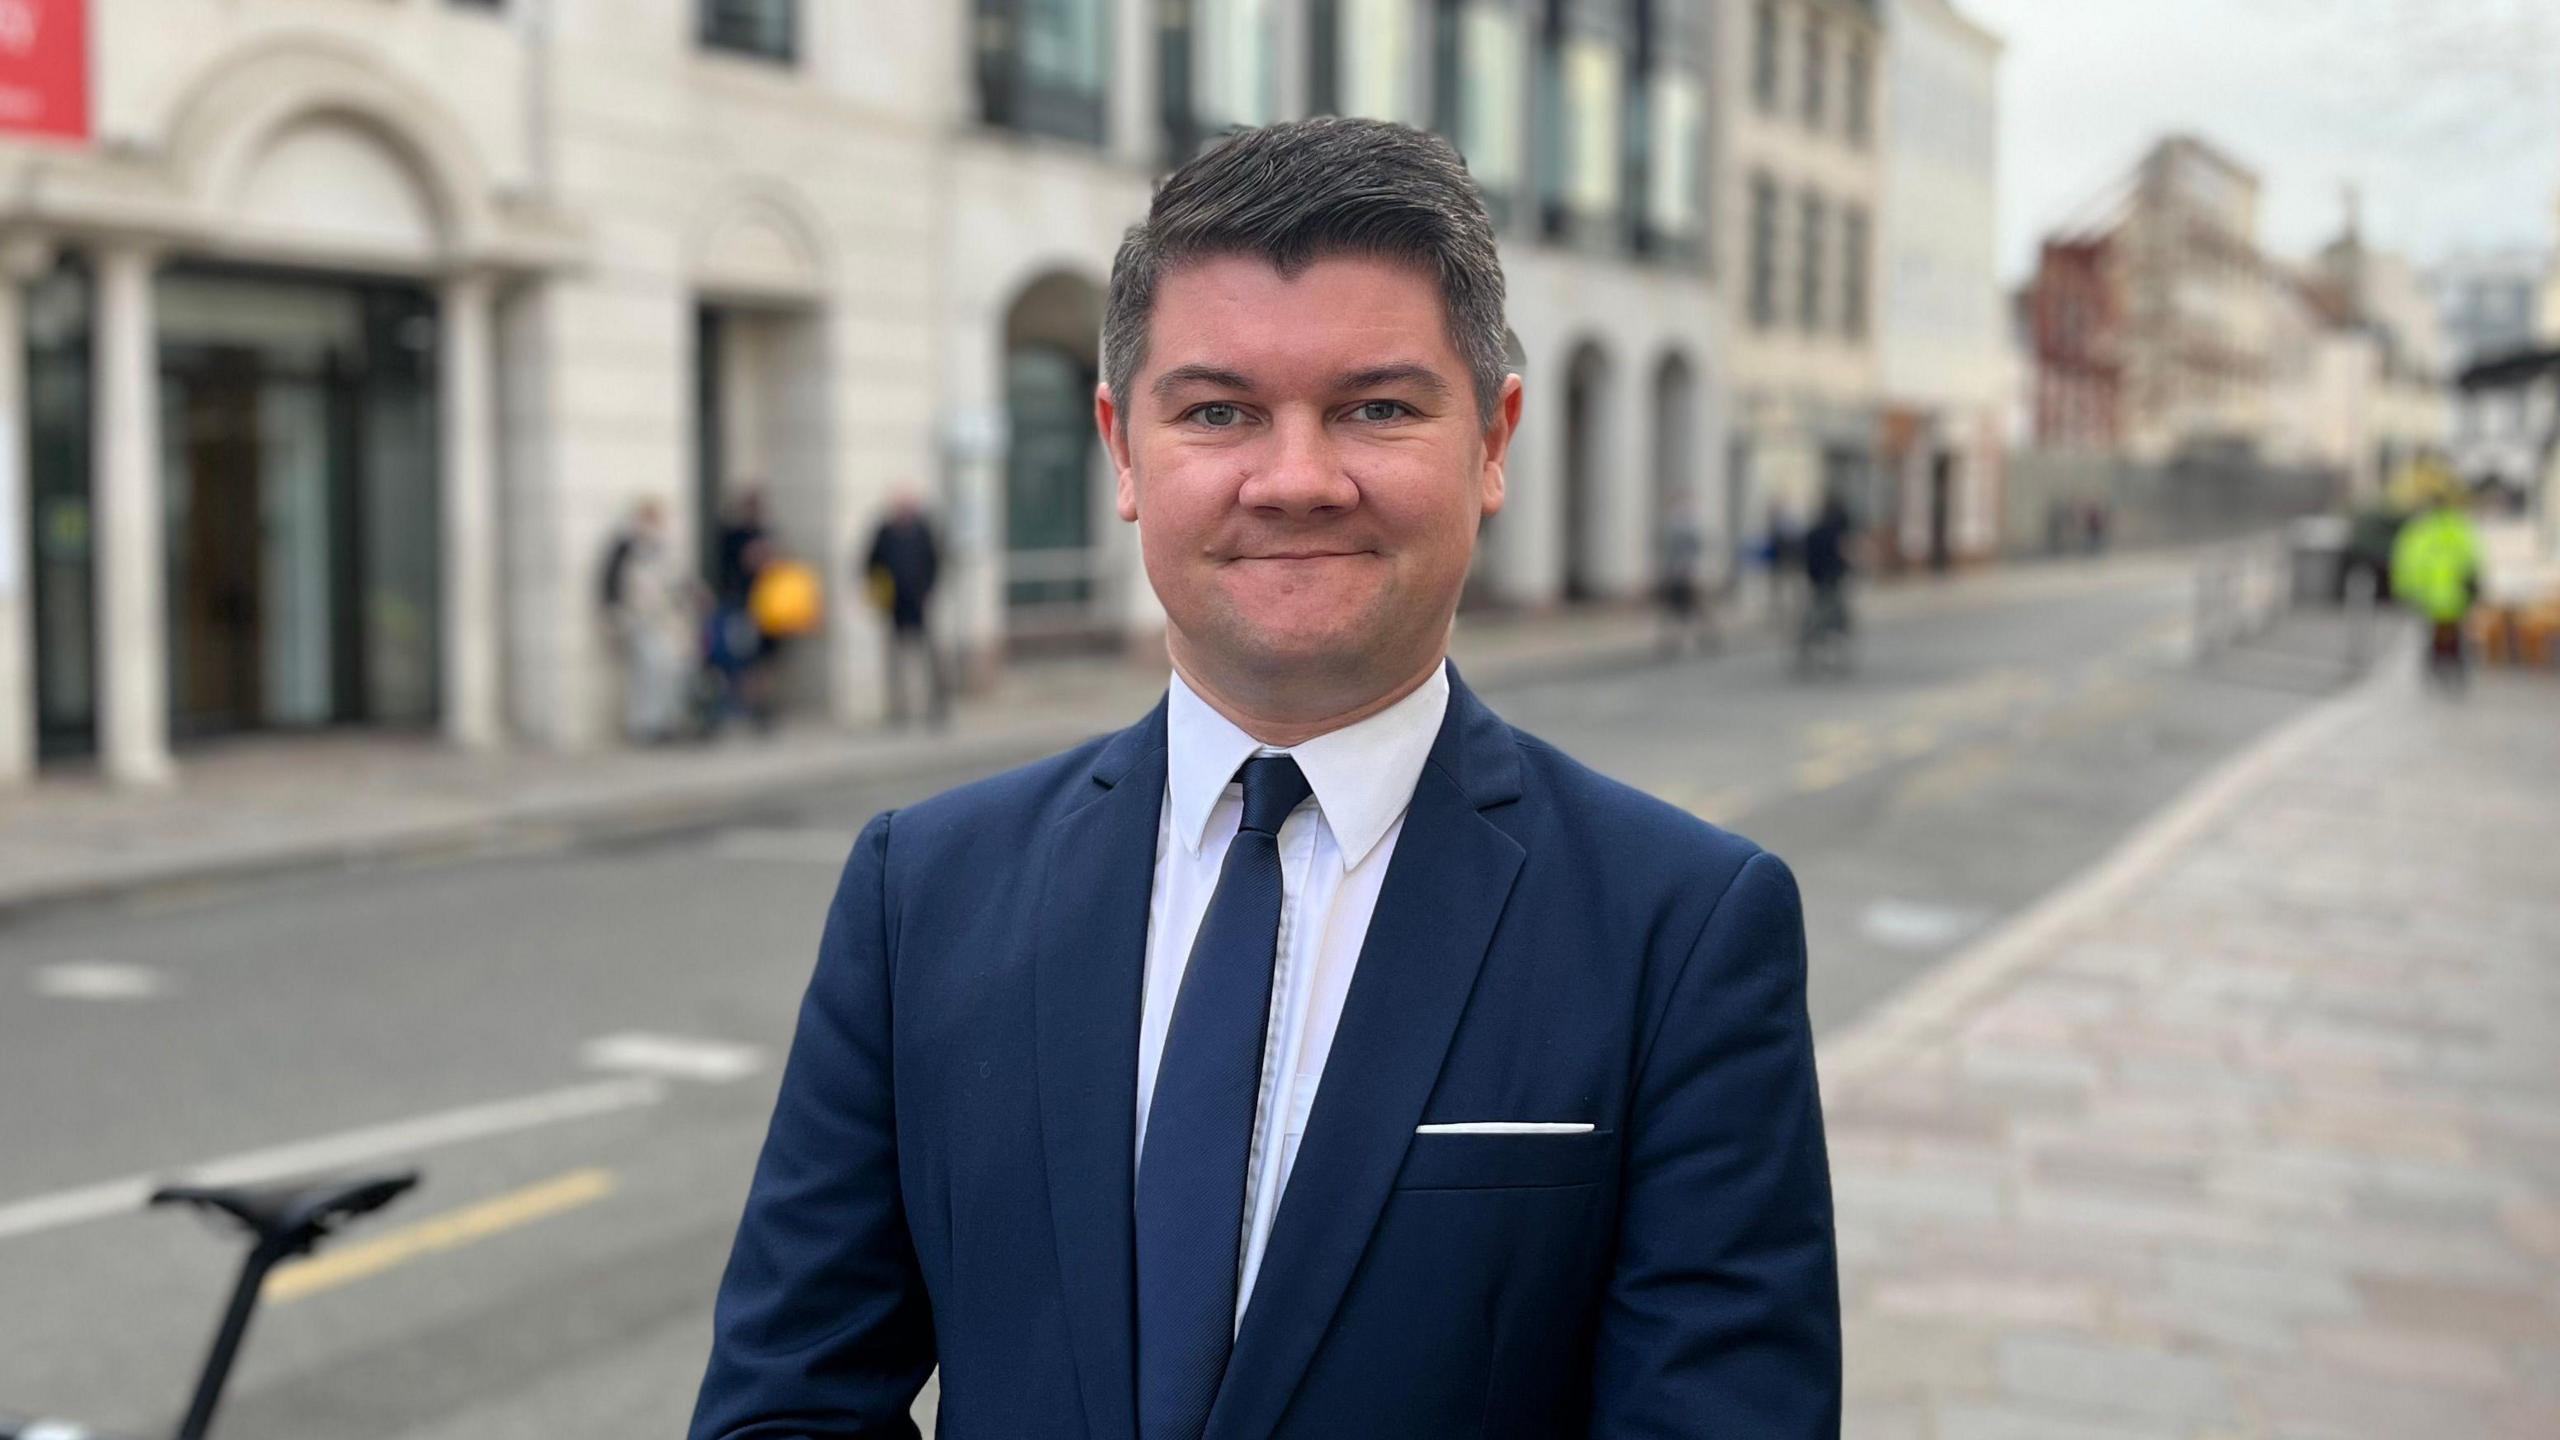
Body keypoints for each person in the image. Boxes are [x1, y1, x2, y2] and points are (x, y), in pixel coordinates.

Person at [689, 118, 1838, 1440]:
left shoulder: (1683, 931)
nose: (1296, 479)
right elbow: (786, 1406)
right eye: (1222, 410)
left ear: (1493, 440)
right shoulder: (925, 889)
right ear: (1124, 449)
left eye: (1378, 408)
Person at [601, 498, 693, 743]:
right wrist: (613, 617)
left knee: (670, 669)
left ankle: (666, 722)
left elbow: (676, 583)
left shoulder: (662, 548)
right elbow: (610, 584)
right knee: (647, 669)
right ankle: (643, 726)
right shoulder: (626, 548)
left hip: (663, 620)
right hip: (636, 619)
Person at [2389, 467, 2484, 692]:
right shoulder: (2454, 527)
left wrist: (2405, 589)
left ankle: (2442, 669)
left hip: (2438, 594)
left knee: (2443, 635)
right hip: (2447, 594)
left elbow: (2406, 561)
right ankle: (2443, 669)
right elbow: (2471, 557)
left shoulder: (2424, 529)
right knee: (2446, 635)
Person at [863, 491, 950, 728]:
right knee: (896, 661)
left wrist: (928, 591)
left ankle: (936, 707)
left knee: (929, 657)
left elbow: (936, 562)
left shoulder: (922, 531)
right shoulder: (884, 533)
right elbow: (869, 564)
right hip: (894, 607)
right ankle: (899, 710)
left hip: (920, 604)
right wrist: (878, 594)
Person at [1655, 487, 1719, 658]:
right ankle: (1679, 638)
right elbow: (1668, 551)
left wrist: (1691, 570)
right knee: (1678, 606)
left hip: (1687, 571)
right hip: (1677, 572)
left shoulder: (1688, 524)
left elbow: (1695, 548)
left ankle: (1698, 636)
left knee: (1691, 605)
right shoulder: (1675, 523)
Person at [1798, 493, 1854, 673]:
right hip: (1831, 580)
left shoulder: (1814, 533)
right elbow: (1842, 556)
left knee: (1817, 618)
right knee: (1833, 619)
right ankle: (1830, 654)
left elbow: (1806, 558)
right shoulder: (1834, 533)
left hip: (1818, 581)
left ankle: (1811, 651)